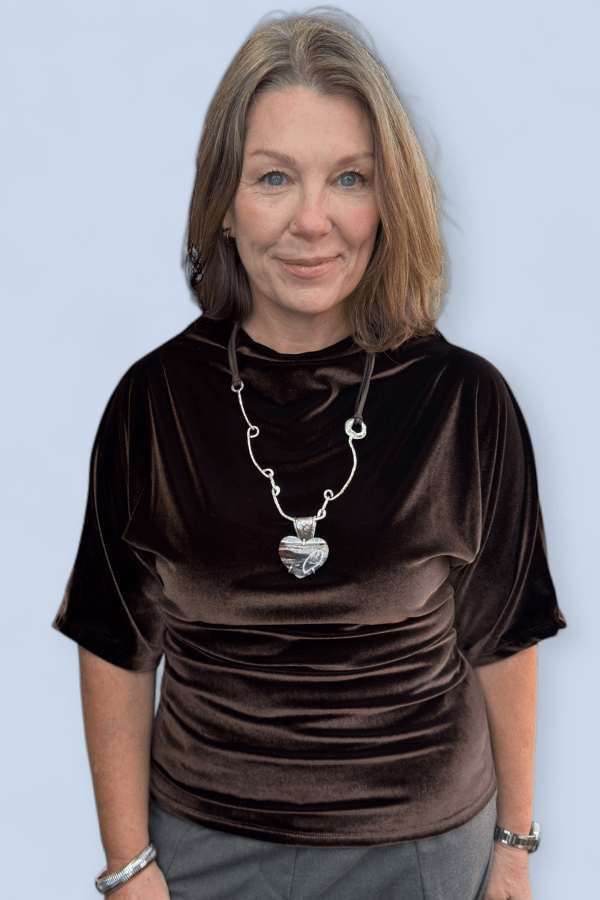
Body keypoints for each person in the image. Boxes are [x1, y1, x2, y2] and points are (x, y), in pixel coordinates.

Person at [53, 11, 566, 900]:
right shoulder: (153, 402)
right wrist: (128, 866)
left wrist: (514, 850)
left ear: (387, 200)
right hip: (201, 854)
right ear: (223, 201)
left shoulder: (464, 401)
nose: (313, 221)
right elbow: (114, 641)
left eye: (350, 178)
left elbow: (503, 633)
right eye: (274, 178)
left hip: (424, 858)